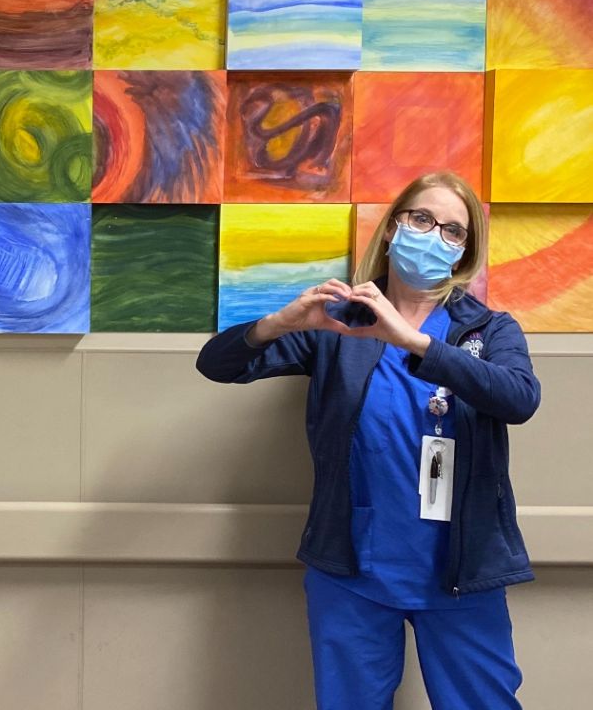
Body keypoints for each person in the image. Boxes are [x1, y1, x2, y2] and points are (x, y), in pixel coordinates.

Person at [196, 172, 539, 709]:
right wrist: (278, 323)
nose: (434, 236)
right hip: (354, 572)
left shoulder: (488, 331)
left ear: (464, 252)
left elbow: (519, 399)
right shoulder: (338, 326)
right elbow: (216, 365)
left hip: (460, 570)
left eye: (453, 231)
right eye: (422, 219)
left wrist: (415, 342)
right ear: (392, 228)